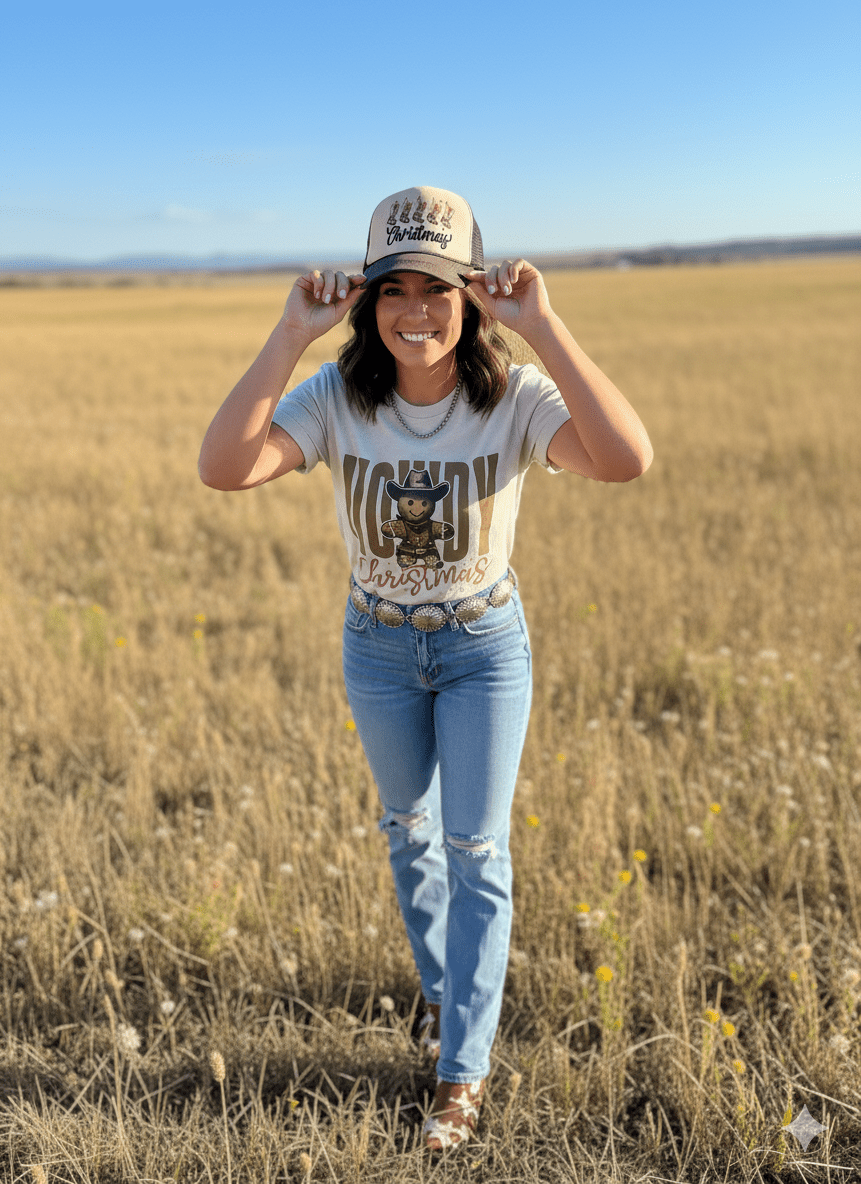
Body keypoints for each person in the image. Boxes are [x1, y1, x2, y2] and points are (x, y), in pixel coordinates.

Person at [198, 185, 653, 1150]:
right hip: (378, 645)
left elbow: (625, 458)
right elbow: (225, 467)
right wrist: (288, 337)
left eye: (438, 290)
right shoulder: (336, 400)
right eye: (393, 289)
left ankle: (462, 1075)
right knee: (408, 831)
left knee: (476, 850)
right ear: (367, 303)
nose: (415, 312)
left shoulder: (516, 399)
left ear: (472, 299)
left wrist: (546, 325)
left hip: (483, 644)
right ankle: (448, 999)